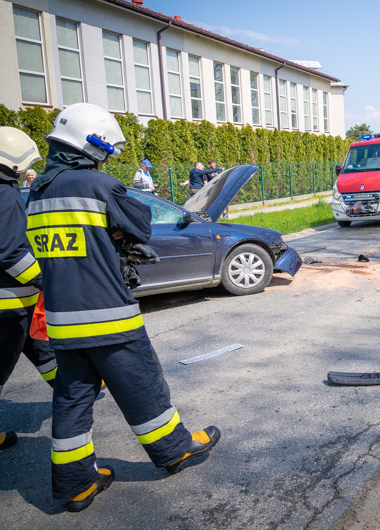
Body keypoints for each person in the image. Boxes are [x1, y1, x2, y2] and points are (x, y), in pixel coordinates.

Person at [27, 103, 219, 512]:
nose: (107, 157)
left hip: (62, 321)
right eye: (106, 150)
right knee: (142, 386)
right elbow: (140, 223)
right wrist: (117, 235)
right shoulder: (97, 186)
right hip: (107, 316)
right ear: (92, 143)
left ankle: (76, 485)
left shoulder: (37, 193)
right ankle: (175, 450)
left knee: (72, 402)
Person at [0, 127, 57, 452]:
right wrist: (44, 279)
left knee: (40, 348)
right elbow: (10, 252)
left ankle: (74, 388)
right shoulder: (6, 194)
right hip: (7, 304)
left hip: (16, 303)